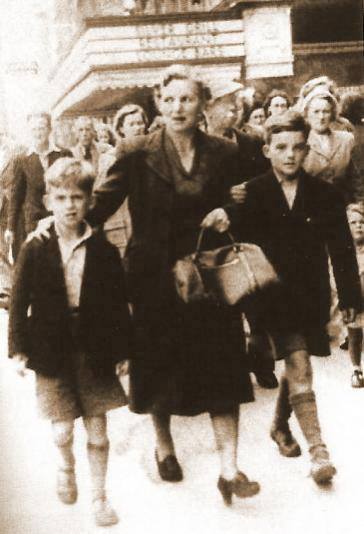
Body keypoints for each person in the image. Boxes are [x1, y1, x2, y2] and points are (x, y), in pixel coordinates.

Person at [60, 65, 259, 504]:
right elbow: (101, 202)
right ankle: (164, 446)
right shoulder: (135, 150)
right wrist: (61, 226)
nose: (177, 108)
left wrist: (230, 211)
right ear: (158, 105)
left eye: (186, 99)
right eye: (169, 100)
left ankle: (230, 467)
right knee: (159, 365)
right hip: (153, 279)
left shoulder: (225, 151)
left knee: (222, 365)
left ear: (202, 103)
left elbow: (244, 197)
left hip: (209, 275)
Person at [202, 110, 361, 485]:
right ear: (267, 150)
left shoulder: (324, 194)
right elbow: (231, 247)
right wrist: (224, 211)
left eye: (297, 147)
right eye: (281, 147)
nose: (290, 155)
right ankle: (310, 445)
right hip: (267, 298)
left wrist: (352, 297)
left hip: (310, 296)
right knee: (299, 364)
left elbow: (340, 249)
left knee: (298, 363)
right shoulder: (251, 193)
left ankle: (294, 436)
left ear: (306, 150)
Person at [8, 157, 133, 527]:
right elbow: (18, 300)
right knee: (62, 429)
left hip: (94, 349)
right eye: (61, 198)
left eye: (77, 197)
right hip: (50, 349)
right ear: (48, 202)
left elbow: (117, 303)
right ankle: (65, 465)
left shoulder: (104, 251)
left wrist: (124, 350)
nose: (70, 205)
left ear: (90, 202)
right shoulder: (35, 247)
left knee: (98, 429)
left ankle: (99, 496)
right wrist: (17, 348)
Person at [205, 81, 277, 389]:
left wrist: (251, 191)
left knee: (257, 304)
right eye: (226, 102)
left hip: (249, 235)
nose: (234, 108)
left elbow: (267, 180)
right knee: (223, 309)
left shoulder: (250, 142)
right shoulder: (199, 147)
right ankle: (232, 370)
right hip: (214, 239)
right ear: (208, 108)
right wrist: (224, 196)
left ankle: (263, 363)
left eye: (236, 102)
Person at [7, 112, 72, 257]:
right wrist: (10, 228)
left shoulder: (63, 154)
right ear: (29, 131)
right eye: (34, 129)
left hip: (61, 218)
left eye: (41, 128)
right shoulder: (22, 159)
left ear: (49, 129)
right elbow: (16, 196)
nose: (38, 133)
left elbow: (73, 186)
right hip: (33, 223)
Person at [95, 104, 149, 257]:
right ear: (121, 129)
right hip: (118, 221)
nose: (138, 128)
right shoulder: (110, 158)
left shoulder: (152, 154)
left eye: (140, 123)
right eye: (132, 124)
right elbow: (102, 193)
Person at [302, 87, 360, 204]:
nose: (321, 117)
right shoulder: (301, 143)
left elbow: (357, 181)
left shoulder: (346, 140)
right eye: (316, 112)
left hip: (344, 207)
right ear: (307, 115)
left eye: (326, 111)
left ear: (332, 114)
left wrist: (358, 208)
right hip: (312, 208)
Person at [345, 203, 364, 387]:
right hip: (354, 301)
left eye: (362, 222)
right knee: (355, 335)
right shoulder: (343, 252)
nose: (359, 226)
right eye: (353, 222)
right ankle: (356, 369)